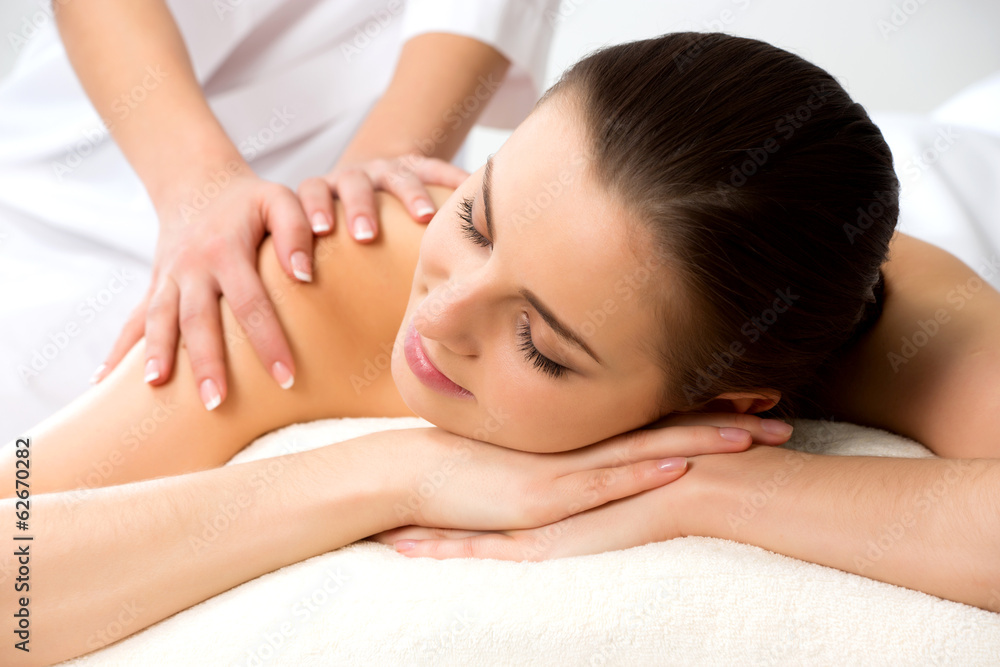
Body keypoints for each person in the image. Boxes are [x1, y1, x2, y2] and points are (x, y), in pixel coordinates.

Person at [2, 32, 999, 666]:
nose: (439, 317)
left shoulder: (901, 324)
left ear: (730, 401)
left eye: (538, 337)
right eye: (476, 217)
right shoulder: (338, 280)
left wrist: (699, 489)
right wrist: (396, 470)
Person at [0, 0, 558, 440]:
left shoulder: (377, 250)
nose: (441, 320)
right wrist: (199, 187)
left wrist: (381, 163)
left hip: (347, 201)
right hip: (79, 160)